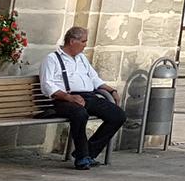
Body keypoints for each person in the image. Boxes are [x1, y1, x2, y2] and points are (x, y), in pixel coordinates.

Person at [39, 26, 126, 169]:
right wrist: (69, 97)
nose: (86, 45)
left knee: (118, 115)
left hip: (88, 96)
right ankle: (82, 157)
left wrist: (112, 90)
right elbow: (47, 85)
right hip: (64, 99)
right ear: (72, 41)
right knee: (80, 114)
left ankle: (88, 153)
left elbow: (94, 79)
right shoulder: (52, 59)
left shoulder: (81, 58)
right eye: (83, 41)